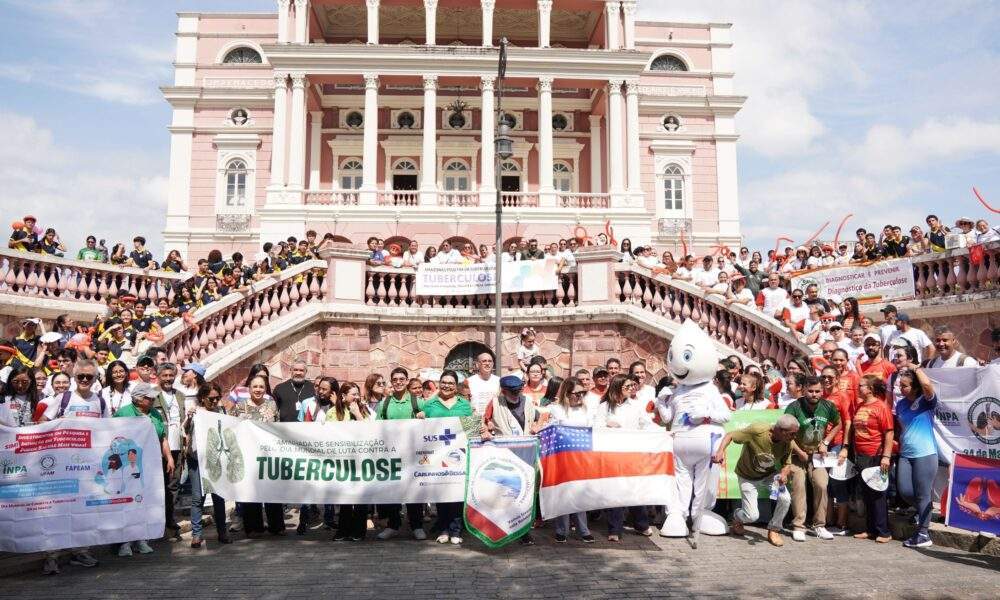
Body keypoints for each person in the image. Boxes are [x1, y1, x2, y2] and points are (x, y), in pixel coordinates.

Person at [38, 359, 106, 574]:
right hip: (61, 466)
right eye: (80, 377)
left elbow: (109, 431)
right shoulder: (64, 398)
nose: (85, 380)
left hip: (88, 468)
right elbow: (42, 422)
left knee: (84, 512)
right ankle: (52, 556)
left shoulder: (100, 402)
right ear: (75, 377)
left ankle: (81, 551)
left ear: (95, 378)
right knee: (56, 511)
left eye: (89, 376)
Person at [712, 415, 798, 547]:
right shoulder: (757, 431)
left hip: (770, 475)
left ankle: (774, 529)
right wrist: (720, 452)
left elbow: (787, 464)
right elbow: (730, 435)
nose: (794, 438)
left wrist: (783, 473)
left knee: (785, 498)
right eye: (792, 434)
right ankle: (737, 516)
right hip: (747, 476)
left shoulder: (788, 443)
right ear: (781, 430)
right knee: (752, 516)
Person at [114, 382, 175, 556]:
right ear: (139, 399)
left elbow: (162, 437)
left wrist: (169, 457)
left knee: (145, 502)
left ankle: (141, 539)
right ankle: (124, 542)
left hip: (150, 465)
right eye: (149, 397)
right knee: (127, 502)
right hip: (127, 466)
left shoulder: (155, 413)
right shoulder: (123, 413)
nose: (153, 400)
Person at [595, 375, 654, 541]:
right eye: (627, 386)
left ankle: (641, 524)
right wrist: (607, 425)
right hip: (612, 455)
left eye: (632, 386)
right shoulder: (604, 407)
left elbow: (647, 425)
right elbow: (595, 427)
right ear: (617, 387)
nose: (631, 389)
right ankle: (615, 528)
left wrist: (664, 433)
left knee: (634, 489)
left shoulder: (635, 406)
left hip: (632, 454)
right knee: (615, 491)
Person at [417, 370, 473, 545]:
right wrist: (420, 418)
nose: (447, 385)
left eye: (451, 383)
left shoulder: (465, 405)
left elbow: (471, 430)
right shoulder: (429, 404)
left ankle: (456, 530)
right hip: (437, 456)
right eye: (444, 382)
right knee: (441, 493)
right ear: (439, 383)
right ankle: (443, 529)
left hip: (458, 457)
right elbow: (422, 429)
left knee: (457, 494)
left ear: (456, 386)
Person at [784, 376, 841, 542]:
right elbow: (785, 432)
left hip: (818, 455)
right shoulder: (794, 407)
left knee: (822, 485)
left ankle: (820, 526)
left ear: (822, 391)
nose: (814, 394)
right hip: (797, 454)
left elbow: (838, 423)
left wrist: (826, 441)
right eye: (810, 391)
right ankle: (798, 526)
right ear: (803, 390)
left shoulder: (828, 406)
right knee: (799, 487)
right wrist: (798, 450)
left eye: (817, 391)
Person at [375, 366, 426, 541]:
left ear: (406, 381)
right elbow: (377, 427)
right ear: (392, 382)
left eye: (401, 379)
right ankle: (393, 526)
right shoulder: (384, 403)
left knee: (414, 490)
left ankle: (417, 526)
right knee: (393, 491)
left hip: (412, 453)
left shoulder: (417, 401)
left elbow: (430, 423)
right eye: (395, 379)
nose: (398, 382)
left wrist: (423, 416)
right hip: (391, 454)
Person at [545, 377, 596, 543]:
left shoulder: (587, 410)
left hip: (582, 457)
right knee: (564, 493)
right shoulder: (556, 410)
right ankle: (562, 529)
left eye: (583, 393)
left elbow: (594, 429)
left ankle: (584, 530)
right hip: (563, 458)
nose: (581, 396)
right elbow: (549, 431)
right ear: (567, 394)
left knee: (580, 493)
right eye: (577, 393)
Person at [234, 374, 285, 537]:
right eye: (255, 386)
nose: (258, 390)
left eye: (261, 387)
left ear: (265, 389)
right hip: (248, 455)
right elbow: (233, 427)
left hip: (268, 454)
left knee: (271, 490)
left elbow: (278, 427)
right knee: (251, 490)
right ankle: (253, 527)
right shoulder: (239, 406)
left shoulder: (271, 405)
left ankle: (276, 526)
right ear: (249, 389)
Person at [894, 367, 938, 549]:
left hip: (925, 453)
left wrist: (915, 368)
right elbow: (903, 428)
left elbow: (927, 384)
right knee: (905, 491)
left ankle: (923, 534)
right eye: (899, 385)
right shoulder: (901, 404)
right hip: (906, 454)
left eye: (904, 386)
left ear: (915, 387)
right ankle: (924, 510)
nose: (900, 389)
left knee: (922, 494)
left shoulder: (926, 401)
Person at [849, 374, 894, 543]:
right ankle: (870, 529)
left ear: (870, 389)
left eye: (861, 385)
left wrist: (886, 457)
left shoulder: (881, 407)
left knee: (878, 493)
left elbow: (889, 432)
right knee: (867, 494)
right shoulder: (861, 406)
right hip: (861, 455)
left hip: (875, 455)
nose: (858, 388)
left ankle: (884, 531)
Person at [183, 382, 229, 547]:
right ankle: (196, 534)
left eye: (217, 398)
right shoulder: (196, 412)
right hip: (196, 460)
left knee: (219, 497)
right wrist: (189, 417)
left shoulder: (221, 412)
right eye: (211, 399)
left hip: (215, 460)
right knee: (197, 497)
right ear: (203, 398)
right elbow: (186, 430)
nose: (215, 402)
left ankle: (222, 531)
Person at [328, 381, 369, 542]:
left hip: (360, 461)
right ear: (343, 396)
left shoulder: (365, 411)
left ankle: (359, 530)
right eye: (354, 394)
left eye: (358, 394)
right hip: (342, 462)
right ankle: (343, 530)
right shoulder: (333, 412)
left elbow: (371, 431)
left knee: (360, 497)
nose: (357, 397)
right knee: (344, 498)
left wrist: (358, 414)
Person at [272, 359, 315, 423]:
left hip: (306, 428)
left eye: (301, 370)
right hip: (286, 428)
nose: (298, 373)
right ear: (291, 370)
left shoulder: (313, 388)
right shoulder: (280, 388)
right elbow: (274, 411)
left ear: (306, 371)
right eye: (295, 370)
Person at [467, 352, 499, 416]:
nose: (487, 363)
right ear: (477, 365)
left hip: (494, 421)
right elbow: (465, 403)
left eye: (490, 361)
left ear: (492, 364)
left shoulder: (499, 381)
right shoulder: (469, 382)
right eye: (484, 361)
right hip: (476, 420)